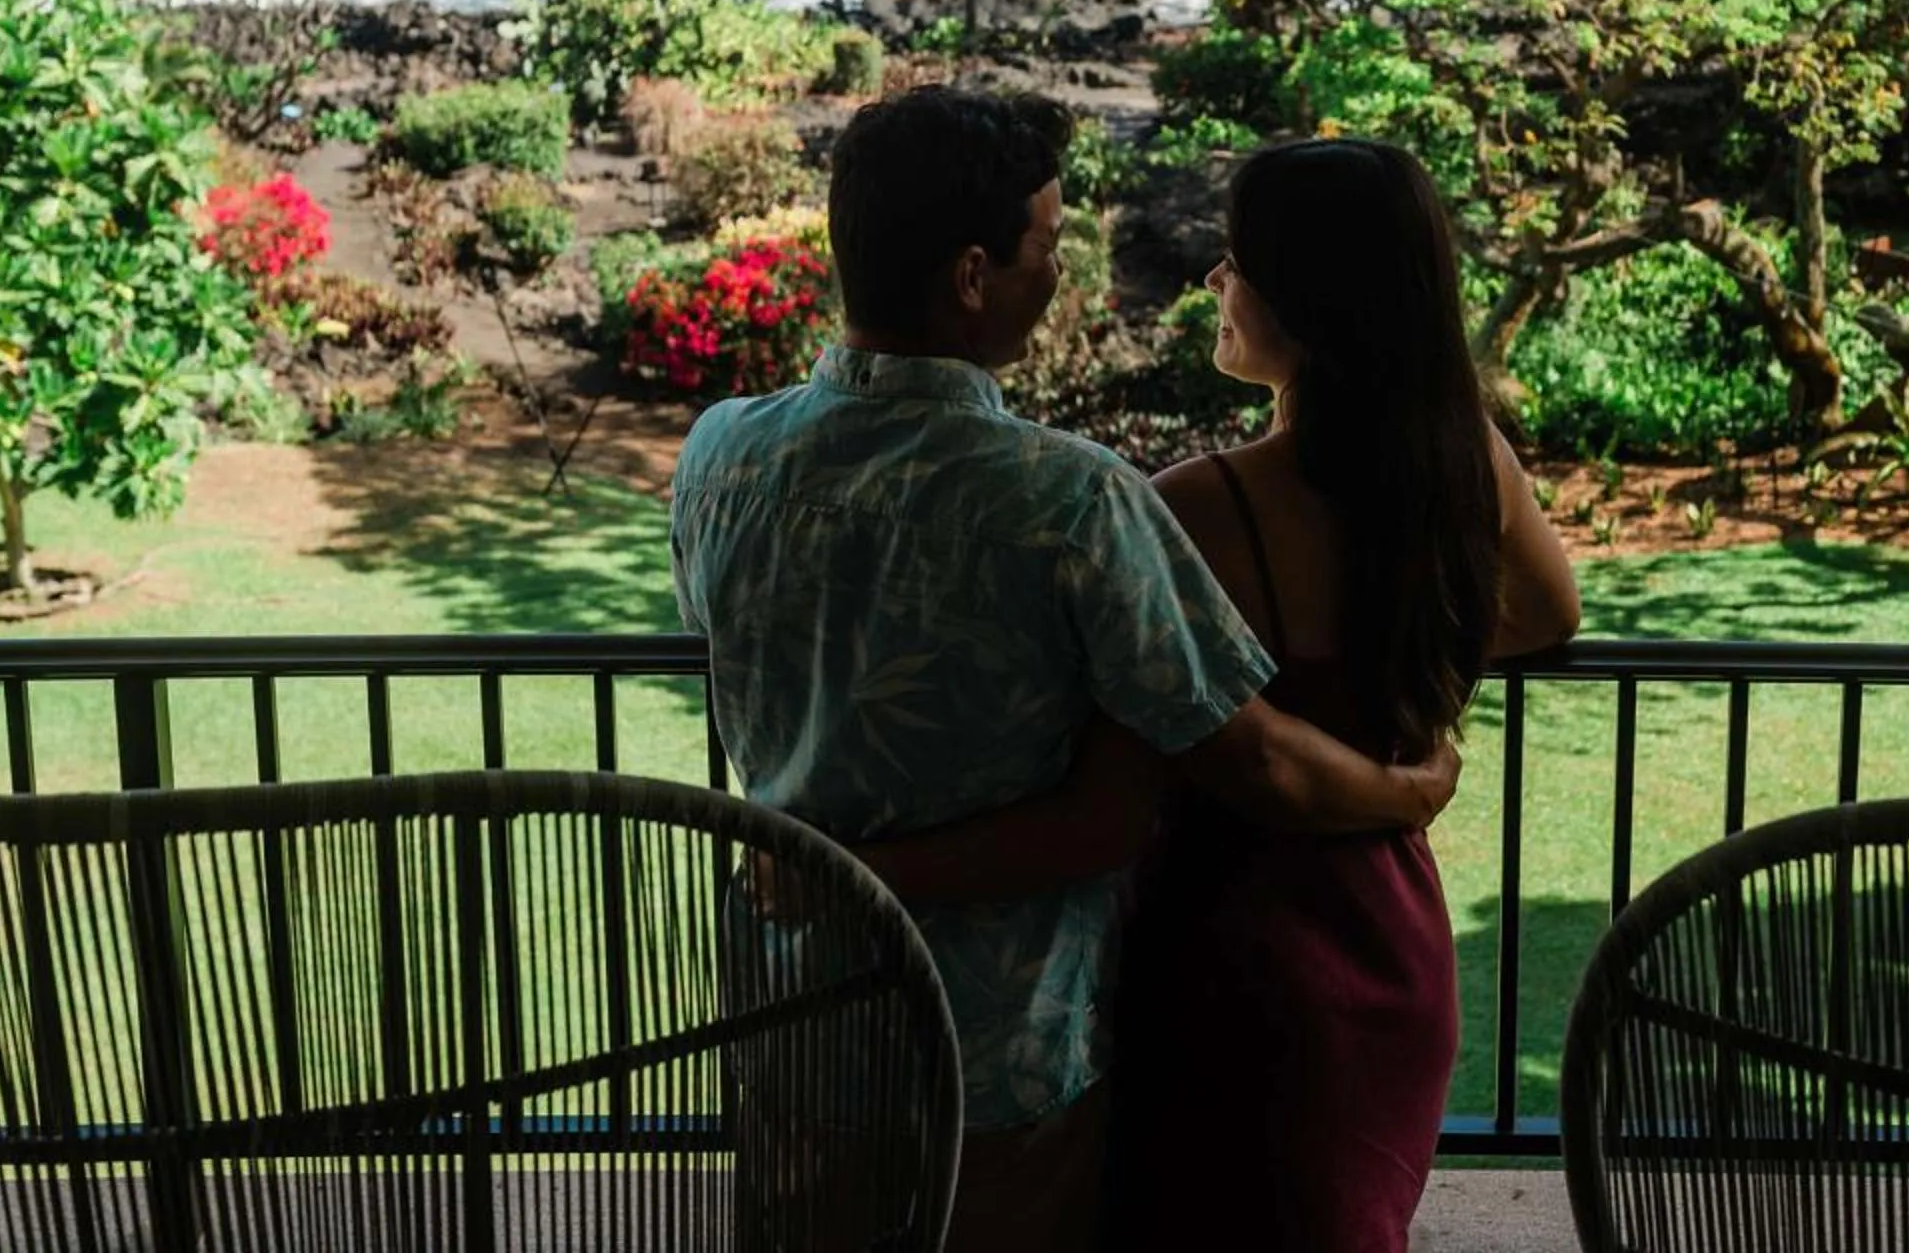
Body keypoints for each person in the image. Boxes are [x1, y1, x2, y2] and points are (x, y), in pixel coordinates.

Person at [671, 89, 1458, 1253]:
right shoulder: (1069, 499)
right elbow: (1221, 770)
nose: (1064, 269)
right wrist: (1407, 790)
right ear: (974, 275)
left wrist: (838, 861)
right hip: (997, 1040)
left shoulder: (721, 455)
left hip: (796, 1019)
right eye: (1046, 245)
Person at [850, 137, 1581, 1251]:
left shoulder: (1193, 510)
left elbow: (1120, 765)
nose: (1214, 284)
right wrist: (1401, 643)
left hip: (1228, 948)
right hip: (1389, 935)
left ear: (1302, 298)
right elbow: (1546, 613)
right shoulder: (1464, 460)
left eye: (1234, 261)